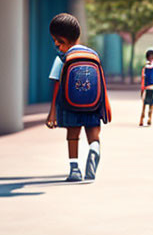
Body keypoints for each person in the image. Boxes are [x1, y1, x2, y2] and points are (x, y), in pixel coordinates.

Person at [45, 13, 109, 182]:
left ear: (60, 40)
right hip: (93, 104)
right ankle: (94, 148)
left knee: (73, 135)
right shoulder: (93, 55)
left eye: (56, 40)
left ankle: (75, 169)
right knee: (93, 135)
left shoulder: (61, 58)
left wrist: (52, 113)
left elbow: (57, 85)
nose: (56, 45)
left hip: (70, 105)